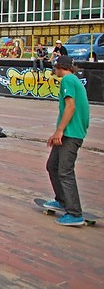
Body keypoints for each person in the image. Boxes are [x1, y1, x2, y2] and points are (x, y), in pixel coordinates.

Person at [43, 56, 90, 226]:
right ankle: (62, 200)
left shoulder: (68, 80)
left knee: (64, 171)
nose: (54, 69)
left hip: (71, 134)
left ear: (59, 66)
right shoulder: (74, 80)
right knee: (52, 166)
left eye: (54, 66)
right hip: (67, 132)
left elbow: (71, 107)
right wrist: (57, 132)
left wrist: (60, 130)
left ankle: (75, 213)